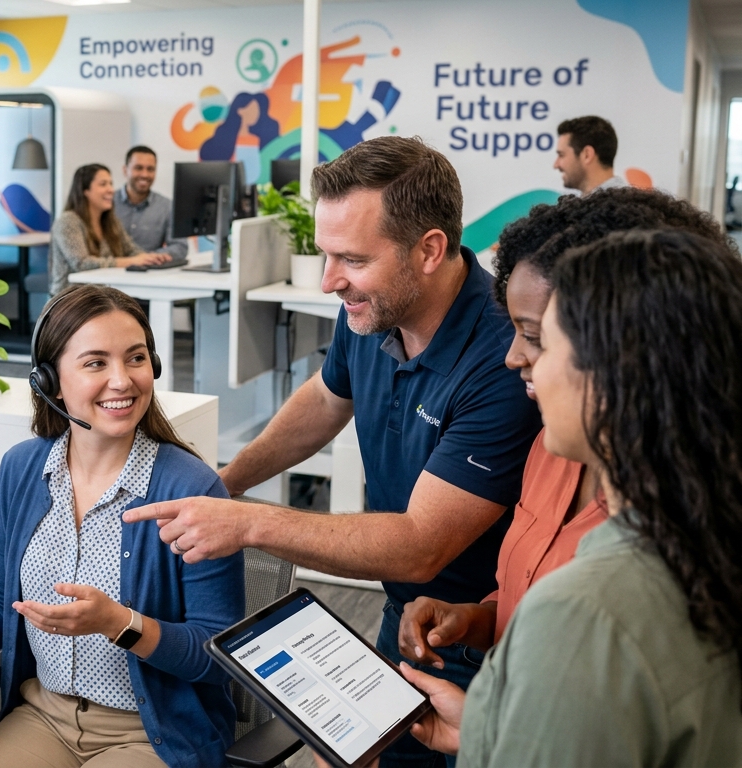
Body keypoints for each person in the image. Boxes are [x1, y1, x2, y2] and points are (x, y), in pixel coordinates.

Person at [122, 136, 542, 767]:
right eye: (325, 255)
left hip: (481, 628)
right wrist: (228, 482)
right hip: (405, 613)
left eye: (351, 259)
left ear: (429, 250)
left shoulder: (500, 360)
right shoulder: (368, 309)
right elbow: (324, 399)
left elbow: (420, 544)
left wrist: (250, 523)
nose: (329, 281)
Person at [0, 285, 244, 768]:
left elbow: (220, 655)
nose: (122, 380)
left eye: (136, 358)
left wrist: (119, 625)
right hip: (44, 715)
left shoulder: (191, 487)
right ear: (50, 381)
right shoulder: (23, 469)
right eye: (95, 363)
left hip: (152, 732)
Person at [400, 229, 742, 765]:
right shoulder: (700, 537)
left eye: (542, 340)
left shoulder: (584, 612)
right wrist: (490, 728)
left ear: (617, 374)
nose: (515, 358)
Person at [49, 164, 171, 295]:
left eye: (111, 184)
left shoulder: (110, 221)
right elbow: (82, 264)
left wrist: (150, 258)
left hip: (101, 297)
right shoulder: (68, 221)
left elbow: (130, 249)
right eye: (103, 184)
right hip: (69, 302)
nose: (111, 190)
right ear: (85, 190)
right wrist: (131, 261)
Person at [113, 147, 187, 261]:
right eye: (138, 168)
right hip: (109, 273)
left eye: (150, 169)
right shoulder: (107, 203)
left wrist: (148, 258)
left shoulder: (167, 206)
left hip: (148, 273)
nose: (145, 174)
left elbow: (179, 246)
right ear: (125, 170)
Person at [553, 115, 625, 195]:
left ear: (587, 155)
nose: (555, 165)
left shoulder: (624, 205)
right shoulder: (574, 201)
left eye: (561, 155)